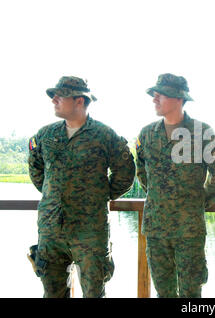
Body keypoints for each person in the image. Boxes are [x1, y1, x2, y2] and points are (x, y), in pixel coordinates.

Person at [28, 76, 136, 297]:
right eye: (53, 96)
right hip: (51, 230)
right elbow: (36, 170)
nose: (54, 100)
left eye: (60, 96)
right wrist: (53, 195)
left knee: (94, 293)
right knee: (52, 293)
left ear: (80, 101)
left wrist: (98, 196)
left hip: (90, 231)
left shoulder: (105, 136)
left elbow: (125, 174)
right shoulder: (45, 135)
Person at [136, 73, 215, 297]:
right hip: (156, 229)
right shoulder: (147, 134)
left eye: (160, 95)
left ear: (179, 99)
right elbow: (142, 170)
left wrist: (201, 200)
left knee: (191, 293)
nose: (154, 99)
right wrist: (158, 195)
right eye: (154, 95)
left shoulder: (202, 132)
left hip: (188, 230)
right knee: (163, 292)